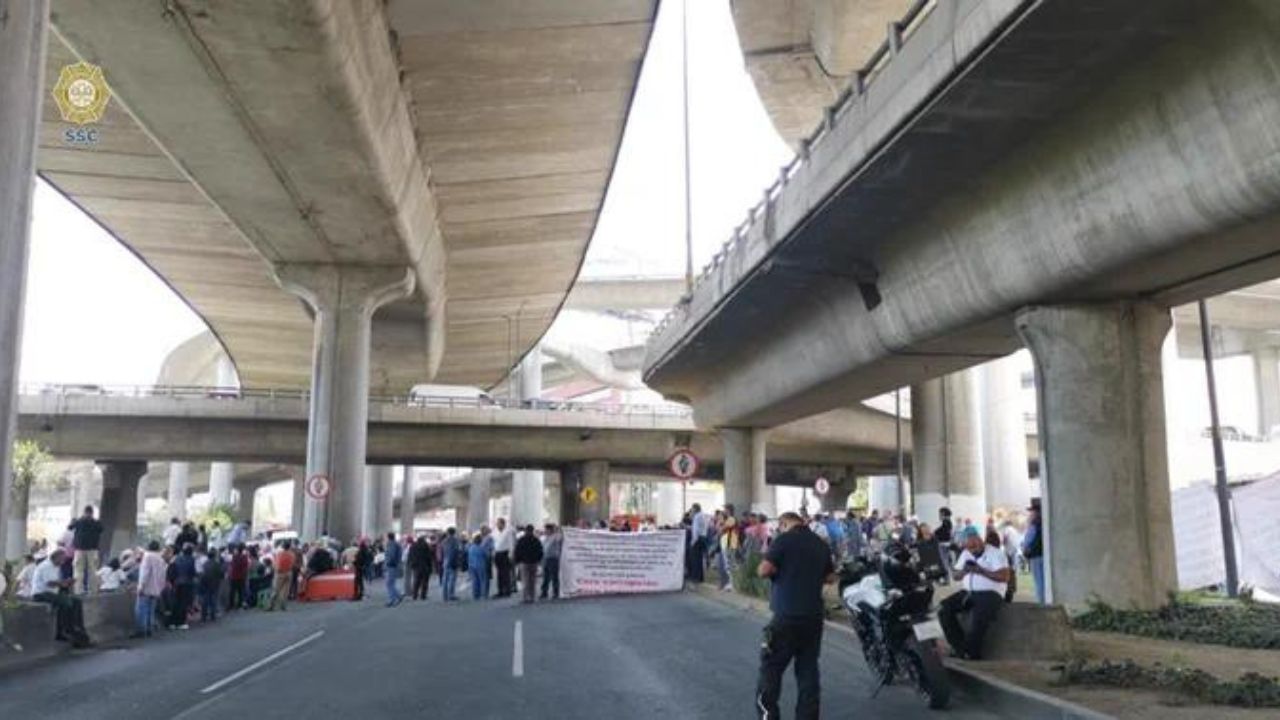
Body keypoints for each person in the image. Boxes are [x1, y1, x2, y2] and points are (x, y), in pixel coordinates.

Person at [755, 512, 834, 720]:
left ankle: (768, 716)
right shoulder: (820, 544)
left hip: (786, 615)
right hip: (812, 617)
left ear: (784, 523)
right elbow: (830, 577)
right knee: (808, 671)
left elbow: (764, 570)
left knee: (770, 669)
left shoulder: (783, 540)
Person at [939, 526, 1010, 660]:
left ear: (981, 541)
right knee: (944, 609)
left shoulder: (996, 553)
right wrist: (965, 570)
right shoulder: (966, 553)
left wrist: (981, 570)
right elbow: (955, 576)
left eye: (975, 545)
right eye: (970, 547)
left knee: (979, 618)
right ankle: (960, 648)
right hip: (968, 592)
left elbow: (1005, 577)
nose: (973, 550)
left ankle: (971, 653)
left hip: (990, 593)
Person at [30, 549, 91, 646]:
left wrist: (67, 582)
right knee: (66, 602)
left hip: (53, 592)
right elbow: (49, 583)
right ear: (56, 558)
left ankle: (77, 627)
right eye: (62, 560)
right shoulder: (46, 566)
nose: (63, 562)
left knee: (76, 601)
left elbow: (57, 582)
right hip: (41, 593)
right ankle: (64, 630)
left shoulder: (56, 567)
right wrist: (63, 583)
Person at [132, 541, 166, 638]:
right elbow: (163, 575)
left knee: (141, 610)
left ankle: (141, 630)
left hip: (146, 588)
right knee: (151, 610)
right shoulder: (160, 559)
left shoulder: (147, 557)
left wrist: (140, 586)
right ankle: (149, 629)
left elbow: (144, 573)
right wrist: (160, 588)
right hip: (156, 589)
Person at [67, 505, 104, 595]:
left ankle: (78, 590)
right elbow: (101, 529)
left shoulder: (78, 521)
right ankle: (93, 590)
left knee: (78, 571)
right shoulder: (96, 522)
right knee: (93, 570)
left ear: (84, 512)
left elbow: (69, 527)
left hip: (79, 549)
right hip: (92, 549)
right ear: (92, 513)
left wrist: (78, 520)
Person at [168, 544, 197, 629]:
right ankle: (181, 622)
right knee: (183, 603)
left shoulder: (176, 558)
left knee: (175, 602)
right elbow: (192, 572)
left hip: (176, 583)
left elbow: (171, 571)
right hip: (187, 583)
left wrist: (172, 581)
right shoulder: (191, 559)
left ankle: (172, 623)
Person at [513, 525, 544, 604]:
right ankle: (532, 597)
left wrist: (517, 561)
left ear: (526, 531)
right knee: (533, 581)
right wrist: (538, 560)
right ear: (532, 530)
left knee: (525, 580)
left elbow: (517, 551)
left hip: (524, 563)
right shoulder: (536, 540)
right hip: (534, 563)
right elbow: (540, 551)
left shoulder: (521, 540)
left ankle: (525, 597)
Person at [1021, 503, 1045, 604]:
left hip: (1035, 556)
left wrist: (1024, 549)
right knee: (1043, 580)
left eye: (1032, 512)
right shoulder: (1043, 524)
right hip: (1043, 554)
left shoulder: (1033, 525)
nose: (1030, 514)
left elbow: (1027, 541)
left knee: (1038, 581)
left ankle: (1041, 602)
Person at [199, 548, 224, 623]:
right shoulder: (216, 564)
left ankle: (204, 616)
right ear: (214, 556)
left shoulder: (205, 564)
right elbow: (221, 574)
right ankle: (212, 615)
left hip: (205, 583)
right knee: (213, 599)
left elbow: (201, 574)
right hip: (214, 583)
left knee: (205, 600)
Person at [268, 540, 295, 611]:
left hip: (280, 573)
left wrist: (276, 570)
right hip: (289, 572)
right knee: (285, 591)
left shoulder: (279, 554)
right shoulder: (292, 554)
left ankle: (271, 605)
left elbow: (276, 564)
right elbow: (292, 564)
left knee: (276, 589)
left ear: (283, 546)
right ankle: (283, 606)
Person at [492, 518, 515, 598]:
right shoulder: (495, 532)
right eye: (497, 523)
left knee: (506, 573)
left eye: (499, 523)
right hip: (497, 553)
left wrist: (511, 555)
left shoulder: (508, 532)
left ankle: (507, 591)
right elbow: (494, 543)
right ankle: (500, 591)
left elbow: (511, 544)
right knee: (499, 574)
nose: (497, 525)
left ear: (503, 524)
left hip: (505, 553)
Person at [540, 524, 563, 600]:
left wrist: (557, 529)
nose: (545, 531)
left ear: (550, 530)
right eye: (545, 529)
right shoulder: (545, 538)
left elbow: (560, 537)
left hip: (553, 559)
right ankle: (544, 592)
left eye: (547, 529)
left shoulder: (556, 536)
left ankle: (555, 593)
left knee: (554, 577)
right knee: (545, 577)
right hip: (545, 559)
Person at [409, 535, 434, 600]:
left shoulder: (413, 546)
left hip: (416, 566)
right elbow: (429, 557)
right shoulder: (426, 546)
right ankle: (423, 595)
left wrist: (412, 564)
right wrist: (430, 567)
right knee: (425, 582)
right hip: (425, 566)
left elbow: (410, 556)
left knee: (416, 581)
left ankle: (415, 595)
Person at [384, 532, 404, 607]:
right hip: (394, 565)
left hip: (391, 566)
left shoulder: (391, 544)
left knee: (389, 583)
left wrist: (387, 563)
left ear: (388, 537)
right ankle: (398, 596)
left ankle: (391, 600)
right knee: (391, 583)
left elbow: (391, 555)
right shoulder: (397, 544)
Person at [441, 528, 461, 602]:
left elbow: (443, 551)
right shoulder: (455, 541)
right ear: (454, 533)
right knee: (452, 579)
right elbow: (456, 551)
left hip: (445, 560)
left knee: (445, 579)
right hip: (453, 561)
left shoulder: (444, 541)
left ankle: (444, 595)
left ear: (448, 532)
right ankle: (451, 595)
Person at [467, 535, 488, 601]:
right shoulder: (481, 548)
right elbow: (486, 555)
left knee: (475, 581)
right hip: (481, 565)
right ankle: (483, 594)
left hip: (472, 566)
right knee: (483, 580)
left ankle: (475, 594)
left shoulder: (471, 548)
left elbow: (469, 558)